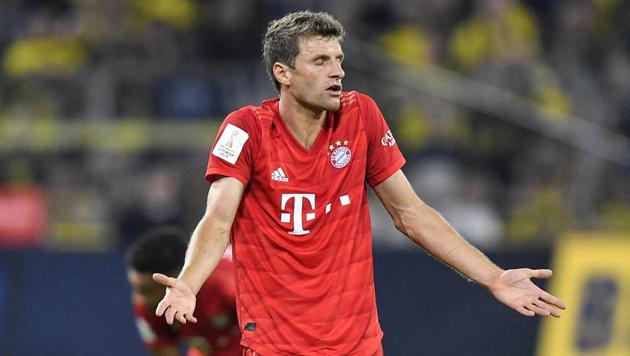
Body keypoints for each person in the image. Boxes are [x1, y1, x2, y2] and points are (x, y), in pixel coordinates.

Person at [152, 11, 566, 355]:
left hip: (359, 346)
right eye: (320, 61)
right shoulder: (246, 129)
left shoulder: (361, 116)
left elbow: (411, 214)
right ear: (284, 73)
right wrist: (188, 284)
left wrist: (493, 277)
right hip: (277, 347)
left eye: (339, 59)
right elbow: (218, 218)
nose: (338, 72)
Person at [126, 227, 241, 355]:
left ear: (176, 280)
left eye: (148, 290)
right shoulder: (148, 305)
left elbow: (265, 332)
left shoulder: (230, 285)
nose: (140, 298)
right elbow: (163, 350)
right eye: (136, 288)